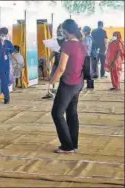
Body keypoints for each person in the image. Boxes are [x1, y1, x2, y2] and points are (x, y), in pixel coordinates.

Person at [50, 19, 86, 154]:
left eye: (62, 30)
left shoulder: (67, 45)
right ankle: (73, 143)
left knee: (57, 113)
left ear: (65, 30)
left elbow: (61, 68)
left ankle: (67, 145)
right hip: (78, 82)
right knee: (71, 112)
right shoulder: (81, 44)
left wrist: (53, 80)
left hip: (68, 83)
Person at [0, 27, 18, 104]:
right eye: (1, 34)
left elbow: (12, 53)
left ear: (6, 35)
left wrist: (17, 61)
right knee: (3, 81)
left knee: (5, 82)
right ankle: (7, 97)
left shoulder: (9, 43)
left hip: (6, 65)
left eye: (4, 34)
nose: (3, 36)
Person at [42, 24, 65, 99]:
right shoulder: (55, 41)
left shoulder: (67, 41)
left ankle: (62, 94)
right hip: (56, 63)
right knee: (52, 78)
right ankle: (50, 93)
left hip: (65, 64)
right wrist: (49, 60)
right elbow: (54, 52)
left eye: (61, 31)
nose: (59, 32)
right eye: (58, 31)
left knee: (64, 79)